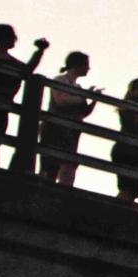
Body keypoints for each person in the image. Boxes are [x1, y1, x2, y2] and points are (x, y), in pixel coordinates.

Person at [0, 25, 49, 170]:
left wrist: (39, 52)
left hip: (0, 107)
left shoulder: (1, 60)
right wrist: (39, 52)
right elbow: (27, 70)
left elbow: (27, 70)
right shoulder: (0, 61)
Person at [37, 51, 98, 187]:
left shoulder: (78, 87)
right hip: (55, 129)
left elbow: (83, 112)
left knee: (68, 165)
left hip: (70, 132)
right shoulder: (60, 80)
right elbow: (61, 100)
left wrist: (93, 99)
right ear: (77, 65)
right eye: (86, 65)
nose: (88, 68)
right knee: (49, 166)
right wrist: (83, 97)